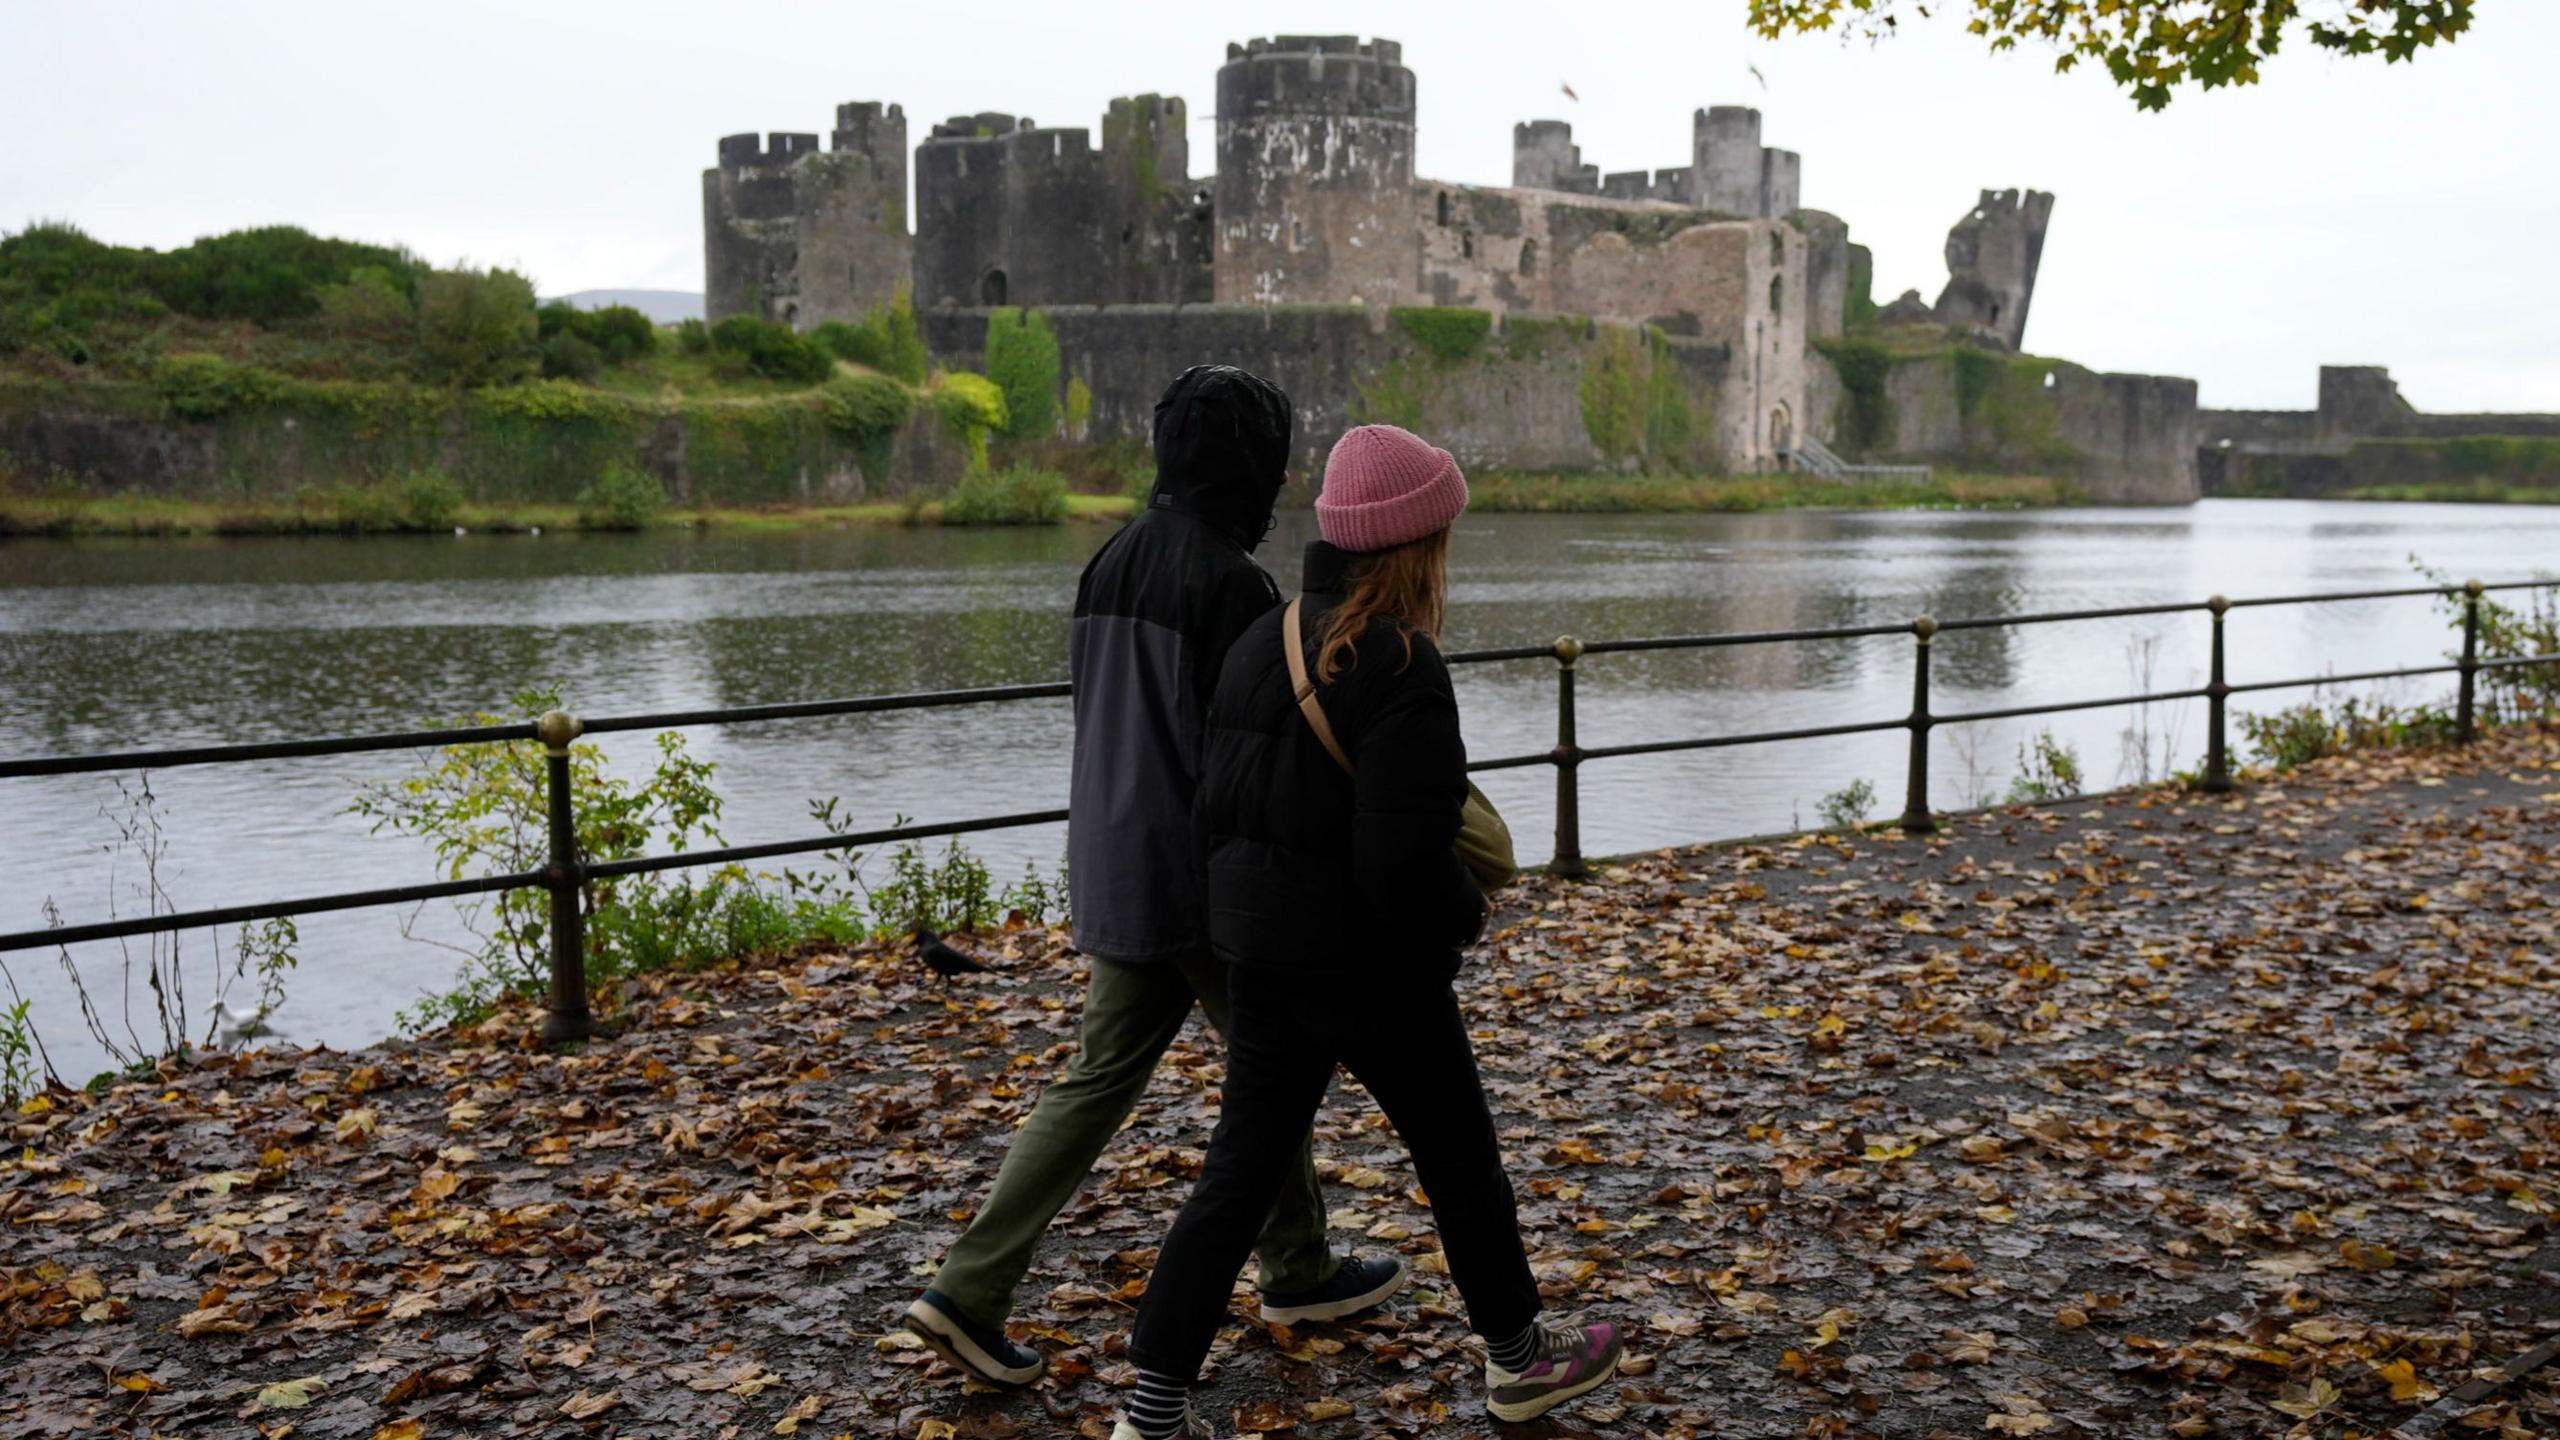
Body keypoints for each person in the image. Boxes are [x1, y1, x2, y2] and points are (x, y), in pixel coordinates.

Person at [1112, 424, 1624, 1439]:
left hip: (1260, 954)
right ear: (1415, 542)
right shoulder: (1398, 662)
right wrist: (1464, 917)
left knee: (1237, 1178)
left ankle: (1149, 1412)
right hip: (1371, 970)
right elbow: (1403, 860)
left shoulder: (1267, 638)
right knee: (1460, 1162)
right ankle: (1519, 1366)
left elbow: (1219, 808)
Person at [903, 366, 1406, 1386]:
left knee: (1107, 1081)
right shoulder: (1230, 583)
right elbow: (1246, 751)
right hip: (1202, 880)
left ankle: (971, 1283)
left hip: (1115, 861)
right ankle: (1296, 1266)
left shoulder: (1111, 560)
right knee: (1271, 1067)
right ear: (1253, 467)